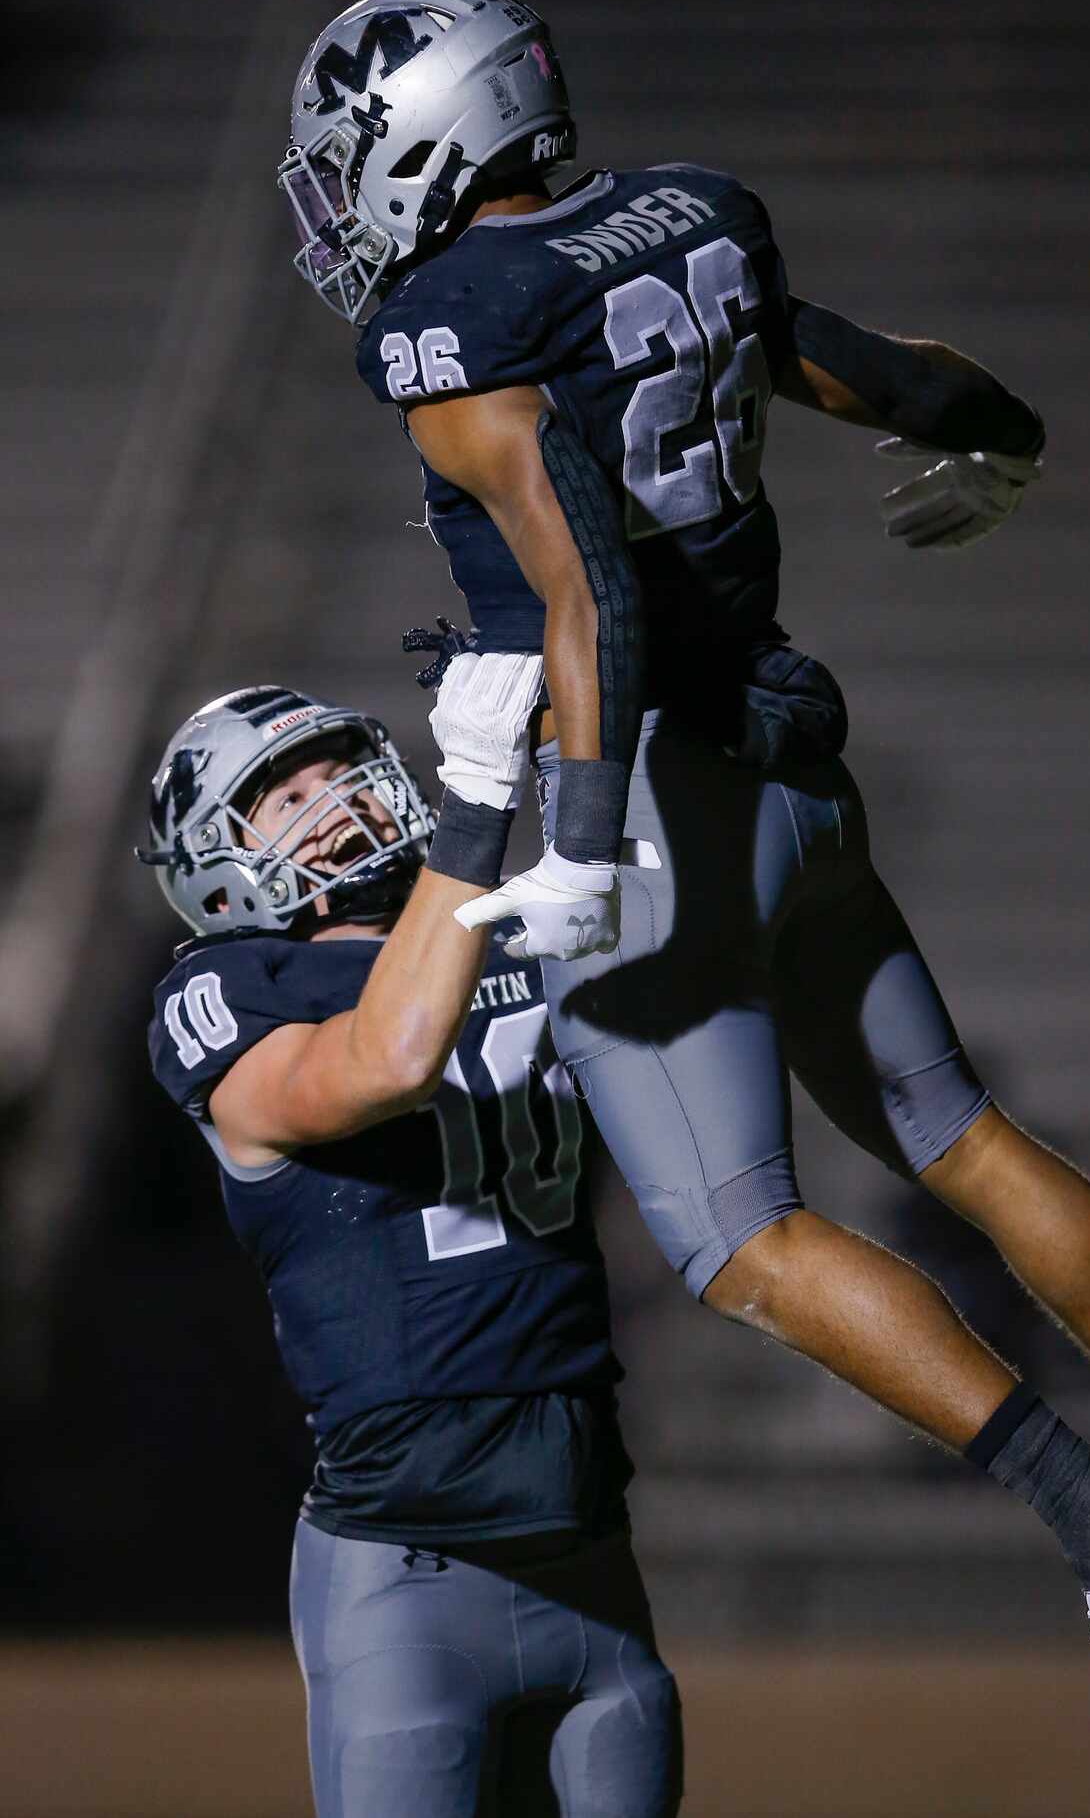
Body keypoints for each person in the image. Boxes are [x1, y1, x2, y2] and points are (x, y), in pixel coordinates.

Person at [278, 0, 1090, 1745]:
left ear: (433, 131)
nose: (341, 201)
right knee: (955, 1127)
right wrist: (996, 434)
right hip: (793, 765)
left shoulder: (451, 320)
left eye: (352, 157)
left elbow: (587, 595)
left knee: (743, 1240)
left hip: (649, 805)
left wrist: (571, 836)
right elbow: (875, 366)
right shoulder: (691, 204)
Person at [143, 684, 682, 1818]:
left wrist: (589, 743)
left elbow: (677, 936)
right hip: (406, 1580)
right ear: (212, 860)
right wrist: (479, 809)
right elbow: (386, 1061)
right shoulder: (233, 990)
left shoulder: (521, 919)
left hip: (592, 1552)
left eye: (335, 768)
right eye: (281, 793)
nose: (325, 800)